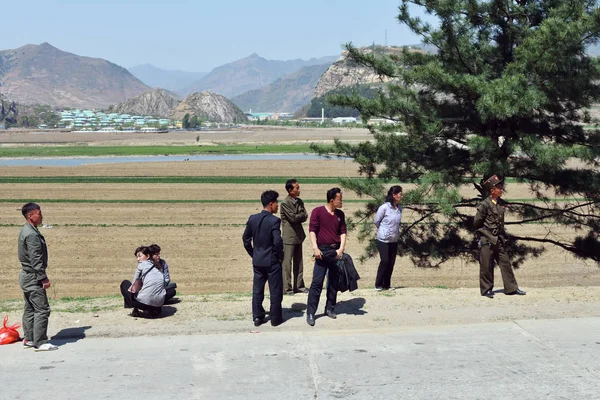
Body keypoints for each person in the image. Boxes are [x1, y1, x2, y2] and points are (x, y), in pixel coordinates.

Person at [474, 175, 526, 298]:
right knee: (486, 266)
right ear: (492, 190)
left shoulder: (499, 204)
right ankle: (486, 290)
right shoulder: (484, 205)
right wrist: (485, 234)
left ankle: (512, 288)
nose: (501, 190)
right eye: (499, 188)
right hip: (487, 239)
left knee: (506, 264)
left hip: (498, 239)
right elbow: (476, 223)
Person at [18, 203, 57, 351]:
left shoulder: (26, 230)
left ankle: (29, 338)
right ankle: (40, 342)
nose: (41, 216)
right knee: (42, 309)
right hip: (33, 277)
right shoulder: (32, 234)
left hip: (26, 276)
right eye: (39, 214)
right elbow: (36, 259)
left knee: (30, 308)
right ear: (30, 216)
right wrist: (43, 278)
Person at [242, 190, 284, 327]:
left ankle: (257, 317)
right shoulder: (275, 221)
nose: (278, 206)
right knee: (275, 290)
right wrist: (280, 256)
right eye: (276, 203)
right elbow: (277, 241)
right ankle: (275, 319)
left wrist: (253, 254)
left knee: (258, 290)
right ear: (271, 204)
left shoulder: (252, 219)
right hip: (272, 260)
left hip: (258, 260)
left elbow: (246, 239)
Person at [306, 187, 347, 327]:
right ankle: (311, 313)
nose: (341, 201)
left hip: (335, 251)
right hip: (322, 251)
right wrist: (315, 248)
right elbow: (312, 231)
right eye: (339, 199)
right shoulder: (317, 212)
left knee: (333, 282)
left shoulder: (340, 214)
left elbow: (343, 232)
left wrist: (341, 249)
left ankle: (330, 308)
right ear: (332, 200)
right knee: (317, 283)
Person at [280, 179, 309, 295]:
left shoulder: (300, 201)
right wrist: (299, 215)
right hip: (288, 237)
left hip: (298, 236)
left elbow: (305, 216)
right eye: (297, 188)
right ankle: (287, 288)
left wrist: (299, 216)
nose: (299, 190)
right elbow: (293, 218)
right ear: (290, 190)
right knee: (287, 264)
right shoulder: (285, 203)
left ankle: (299, 287)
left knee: (299, 262)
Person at [120, 246, 166, 317]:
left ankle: (135, 309)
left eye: (139, 256)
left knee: (125, 284)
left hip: (144, 304)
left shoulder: (142, 265)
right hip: (159, 305)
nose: (138, 259)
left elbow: (133, 287)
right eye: (136, 257)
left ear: (147, 256)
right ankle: (152, 311)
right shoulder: (157, 268)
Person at [373, 185, 403, 291]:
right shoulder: (384, 208)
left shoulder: (399, 208)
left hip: (394, 239)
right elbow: (376, 221)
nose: (401, 196)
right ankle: (378, 284)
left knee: (391, 262)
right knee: (385, 261)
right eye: (400, 194)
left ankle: (387, 285)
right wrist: (383, 230)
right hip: (383, 239)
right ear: (394, 195)